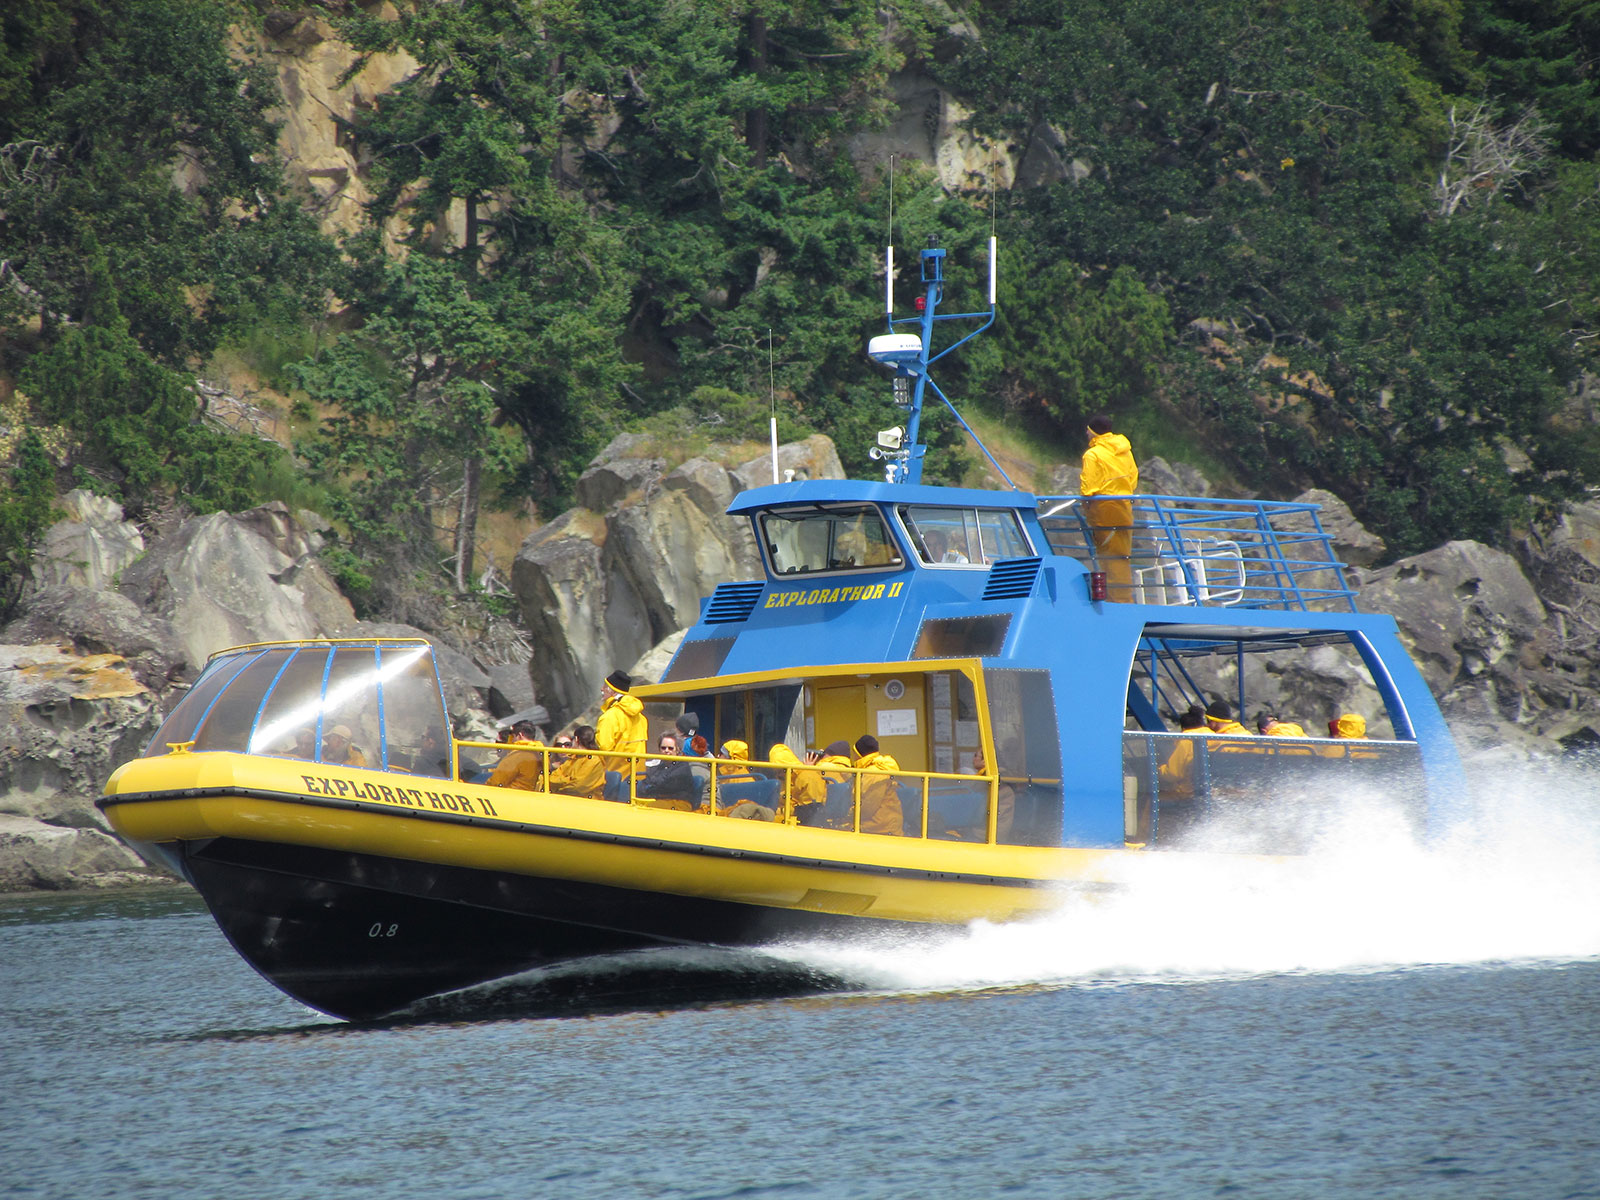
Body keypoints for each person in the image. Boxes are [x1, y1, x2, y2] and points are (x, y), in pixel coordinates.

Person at [1079, 413, 1139, 601]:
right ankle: (1124, 598)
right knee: (1122, 556)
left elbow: (1088, 488)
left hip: (1104, 510)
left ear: (1093, 432)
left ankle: (1118, 601)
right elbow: (1133, 478)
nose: (1087, 434)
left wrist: (1086, 506)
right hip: (1125, 508)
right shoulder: (1124, 450)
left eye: (1088, 431)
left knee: (1109, 557)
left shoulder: (1093, 454)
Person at [596, 670, 648, 776]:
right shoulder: (641, 717)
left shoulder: (610, 717)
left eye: (605, 686)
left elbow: (604, 747)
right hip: (637, 776)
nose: (602, 689)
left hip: (615, 777)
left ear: (612, 692)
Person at [852, 734, 903, 836]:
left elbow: (869, 806)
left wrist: (849, 814)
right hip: (885, 825)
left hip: (880, 828)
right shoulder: (876, 768)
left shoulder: (873, 772)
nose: (852, 756)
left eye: (854, 752)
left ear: (860, 754)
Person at [637, 732, 699, 811]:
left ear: (678, 750)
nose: (666, 751)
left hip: (679, 803)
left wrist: (651, 786)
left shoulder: (683, 766)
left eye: (670, 748)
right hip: (658, 801)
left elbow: (665, 785)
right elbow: (646, 783)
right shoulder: (658, 765)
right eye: (663, 748)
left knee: (645, 808)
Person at [1158, 704, 1209, 800]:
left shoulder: (1187, 741)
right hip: (1210, 790)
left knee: (1148, 798)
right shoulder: (1217, 739)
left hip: (1189, 791)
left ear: (1184, 728)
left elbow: (1173, 773)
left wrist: (1159, 770)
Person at [767, 742, 825, 822]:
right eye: (775, 771)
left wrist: (779, 811)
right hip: (783, 819)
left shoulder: (808, 777)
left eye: (780, 770)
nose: (778, 774)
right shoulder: (784, 779)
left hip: (800, 823)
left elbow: (810, 811)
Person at [967, 745, 1015, 841]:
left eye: (976, 755)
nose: (973, 759)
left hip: (986, 838)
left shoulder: (999, 787)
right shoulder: (980, 780)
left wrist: (970, 832)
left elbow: (1000, 828)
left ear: (985, 761)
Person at [486, 722, 545, 791]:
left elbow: (497, 781)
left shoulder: (518, 755)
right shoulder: (539, 753)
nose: (512, 740)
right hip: (530, 793)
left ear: (520, 735)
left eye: (513, 736)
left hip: (511, 794)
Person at [548, 725, 604, 797]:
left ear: (576, 739)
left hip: (587, 800)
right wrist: (569, 780)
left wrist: (560, 783)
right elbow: (552, 778)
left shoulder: (594, 760)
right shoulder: (573, 758)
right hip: (566, 796)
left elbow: (578, 787)